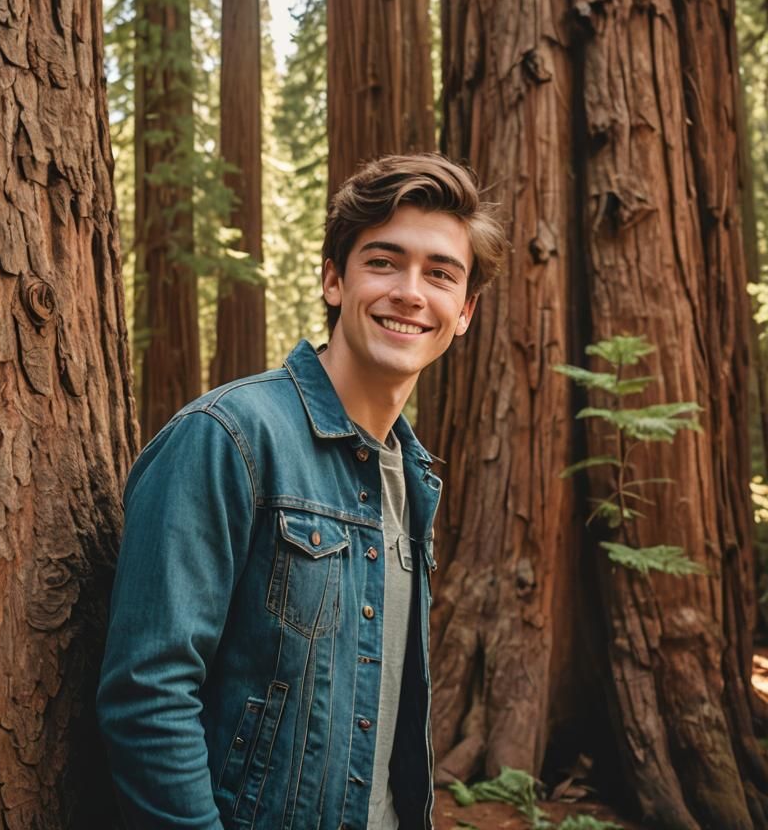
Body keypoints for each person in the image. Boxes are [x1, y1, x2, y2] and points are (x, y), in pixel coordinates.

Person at [97, 154, 506, 829]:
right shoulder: (228, 437)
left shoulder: (411, 473)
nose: (410, 291)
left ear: (463, 312)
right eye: (383, 261)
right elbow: (148, 697)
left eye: (439, 274)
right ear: (334, 280)